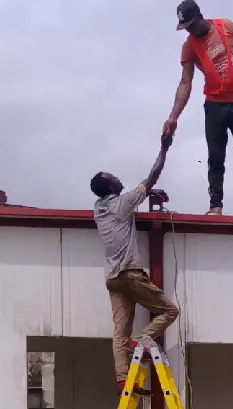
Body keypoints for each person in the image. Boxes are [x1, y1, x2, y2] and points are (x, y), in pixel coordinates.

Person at [90, 134, 180, 388]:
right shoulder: (122, 203)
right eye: (114, 178)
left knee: (120, 330)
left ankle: (122, 379)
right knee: (171, 311)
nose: (118, 179)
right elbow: (151, 176)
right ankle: (141, 340)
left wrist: (148, 193)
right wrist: (163, 149)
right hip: (130, 273)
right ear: (110, 187)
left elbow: (131, 200)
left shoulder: (98, 208)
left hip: (112, 278)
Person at [163, 1, 233, 217]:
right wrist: (173, 117)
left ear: (200, 16)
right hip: (215, 105)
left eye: (191, 25)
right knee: (216, 157)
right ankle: (215, 206)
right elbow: (185, 83)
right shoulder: (189, 47)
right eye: (186, 27)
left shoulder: (226, 26)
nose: (190, 30)